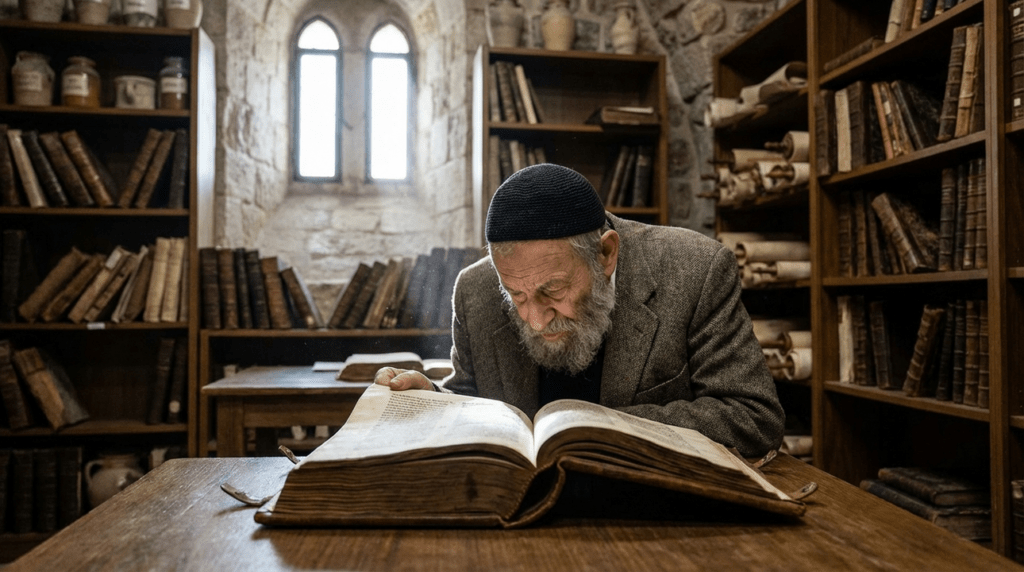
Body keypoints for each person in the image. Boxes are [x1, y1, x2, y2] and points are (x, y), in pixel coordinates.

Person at [376, 163, 784, 458]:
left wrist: (600, 428)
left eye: (552, 290)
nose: (536, 320)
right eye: (516, 295)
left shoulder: (695, 270)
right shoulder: (475, 290)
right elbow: (474, 398)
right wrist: (434, 401)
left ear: (605, 254)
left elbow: (753, 417)